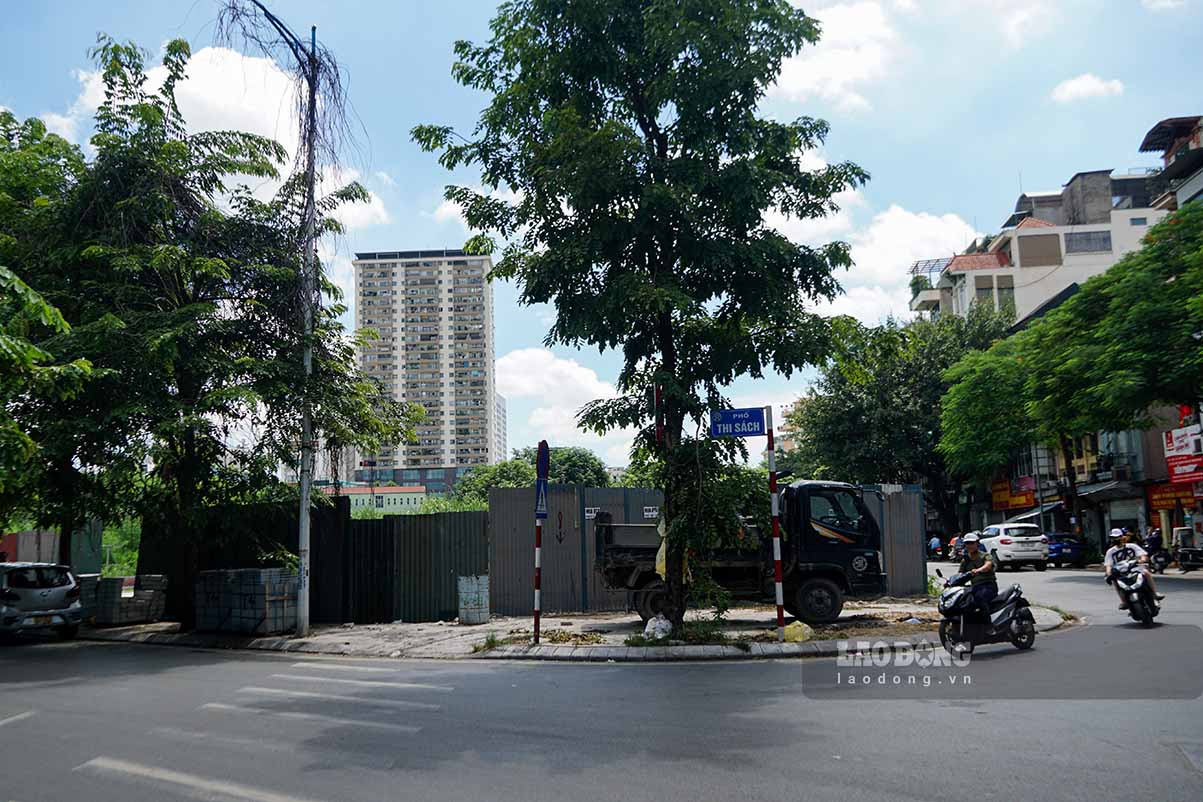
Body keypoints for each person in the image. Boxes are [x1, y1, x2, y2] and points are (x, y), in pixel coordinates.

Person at [1104, 528, 1164, 610]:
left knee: (1146, 573)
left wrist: (1142, 559)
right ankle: (1124, 601)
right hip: (1121, 573)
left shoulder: (1132, 546)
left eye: (1117, 537)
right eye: (1113, 538)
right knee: (1115, 582)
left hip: (1136, 569)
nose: (1115, 539)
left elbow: (1143, 555)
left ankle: (1154, 594)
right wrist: (1109, 573)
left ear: (1122, 537)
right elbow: (1108, 565)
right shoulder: (1110, 551)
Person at [958, 533, 997, 616]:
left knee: (980, 599)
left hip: (988, 586)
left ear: (977, 543)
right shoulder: (965, 560)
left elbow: (988, 565)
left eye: (972, 543)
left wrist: (979, 570)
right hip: (974, 587)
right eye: (967, 543)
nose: (969, 546)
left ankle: (988, 625)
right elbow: (960, 575)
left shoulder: (985, 555)